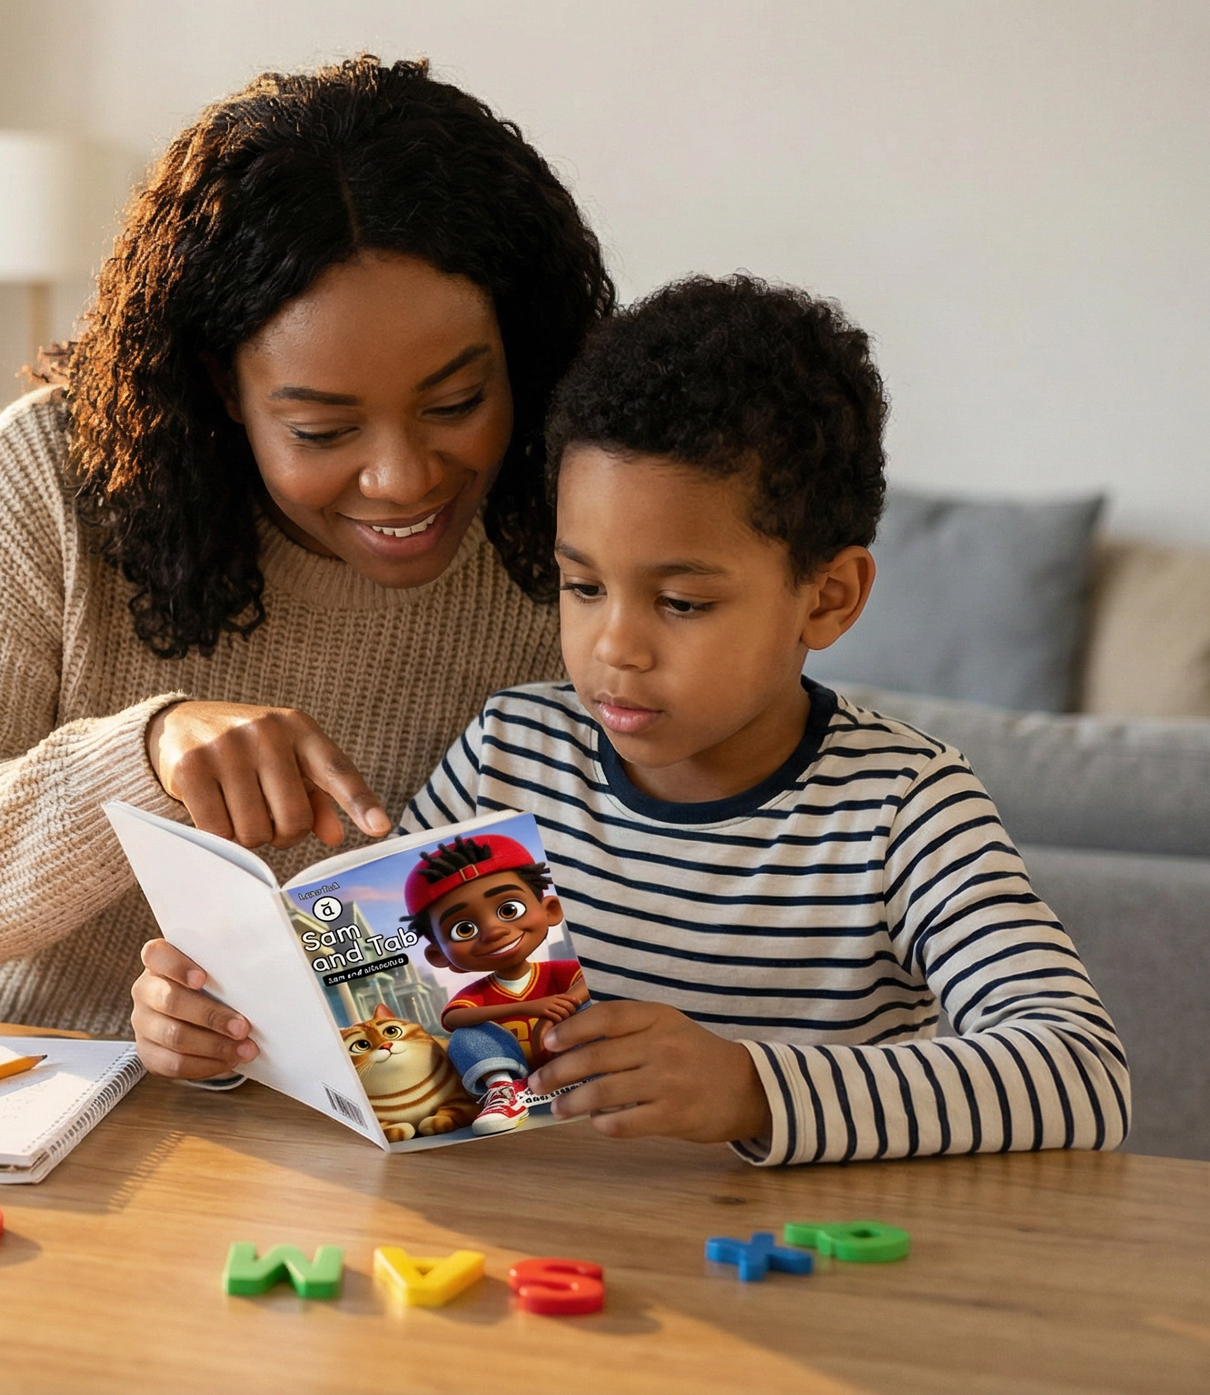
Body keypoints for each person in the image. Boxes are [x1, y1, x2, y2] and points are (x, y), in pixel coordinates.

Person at [0, 56, 611, 1040]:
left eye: (455, 404)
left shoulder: (572, 543)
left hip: (285, 1120)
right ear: (221, 387)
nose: (402, 479)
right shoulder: (54, 475)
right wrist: (145, 756)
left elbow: (518, 952)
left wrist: (263, 1026)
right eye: (321, 430)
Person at [408, 275, 1127, 1163]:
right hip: (543, 1256)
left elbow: (1081, 1073)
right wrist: (214, 1031)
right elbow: (363, 1004)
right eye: (583, 586)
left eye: (679, 601)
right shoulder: (506, 755)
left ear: (827, 599)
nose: (614, 648)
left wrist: (751, 1087)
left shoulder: (902, 807)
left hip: (801, 1271)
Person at [399, 832, 588, 1133]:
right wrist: (532, 1008)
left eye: (508, 910)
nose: (493, 931)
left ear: (550, 910)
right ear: (439, 955)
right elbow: (453, 1018)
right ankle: (503, 1091)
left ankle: (592, 1070)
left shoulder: (556, 971)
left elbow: (588, 982)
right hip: (517, 1074)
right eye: (464, 929)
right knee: (466, 1035)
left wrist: (566, 1007)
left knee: (591, 1007)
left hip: (570, 1060)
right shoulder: (480, 993)